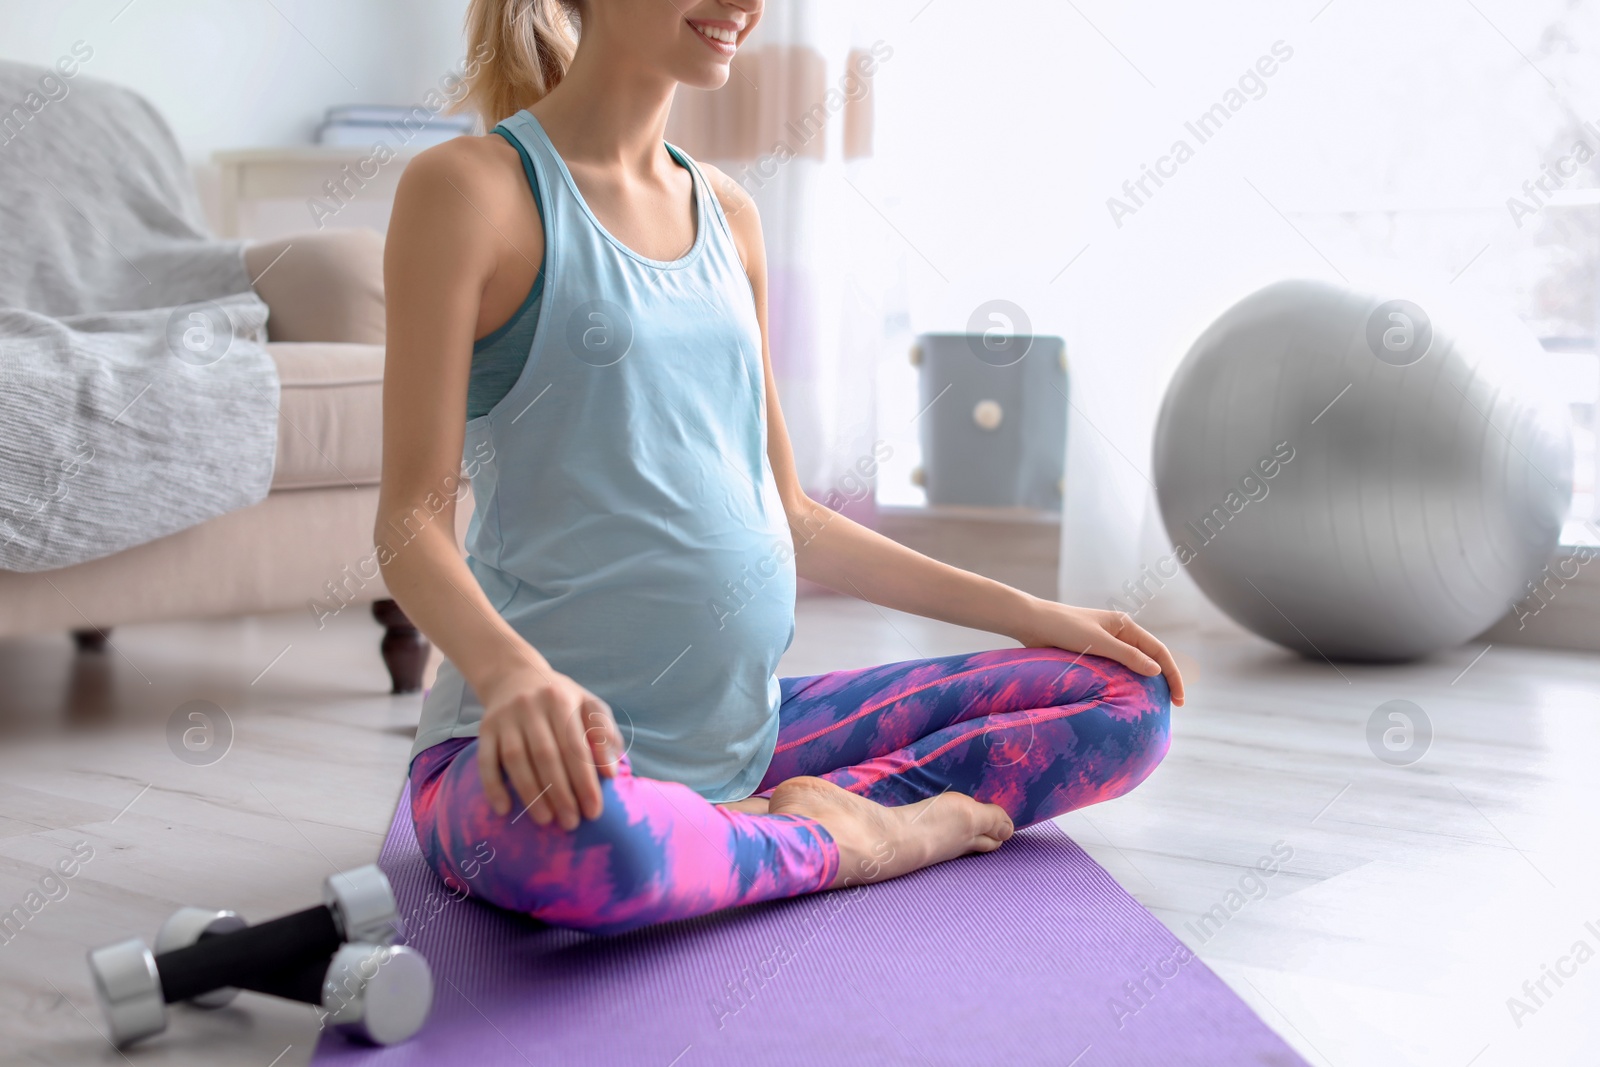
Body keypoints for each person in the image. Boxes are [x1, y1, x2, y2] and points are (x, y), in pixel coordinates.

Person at [376, 0, 1184, 935]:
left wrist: (1040, 616)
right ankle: (873, 838)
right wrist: (512, 674)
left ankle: (742, 830)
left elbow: (792, 514)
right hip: (526, 757)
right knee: (602, 848)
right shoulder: (471, 192)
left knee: (1127, 704)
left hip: (748, 738)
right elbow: (408, 526)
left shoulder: (729, 216)